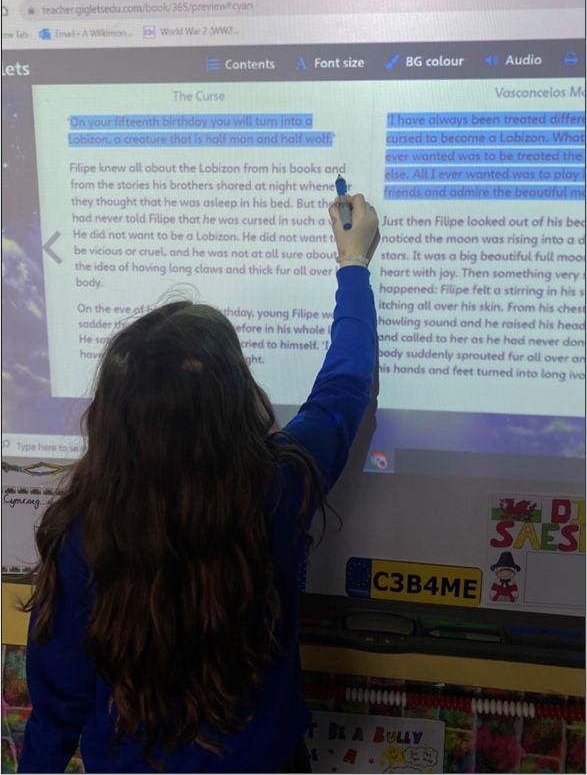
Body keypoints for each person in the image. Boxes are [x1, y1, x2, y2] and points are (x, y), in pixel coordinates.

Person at [18, 193, 380, 774]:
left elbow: (57, 707)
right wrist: (353, 263)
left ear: (112, 417)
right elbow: (346, 382)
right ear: (233, 399)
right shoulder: (279, 488)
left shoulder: (85, 535)